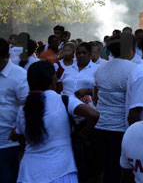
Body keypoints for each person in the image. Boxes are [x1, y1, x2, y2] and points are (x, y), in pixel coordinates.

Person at [13, 61, 99, 183]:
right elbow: (94, 114)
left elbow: (20, 137)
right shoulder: (64, 101)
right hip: (62, 170)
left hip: (29, 172)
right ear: (52, 79)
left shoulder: (24, 108)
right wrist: (83, 134)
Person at [93, 33, 138, 183]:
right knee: (118, 170)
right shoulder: (134, 69)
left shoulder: (100, 69)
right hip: (119, 129)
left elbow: (96, 96)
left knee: (105, 168)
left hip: (100, 126)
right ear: (130, 50)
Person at [0, 37, 28, 182]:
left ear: (6, 57)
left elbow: (28, 107)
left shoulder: (20, 76)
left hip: (9, 144)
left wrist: (18, 131)